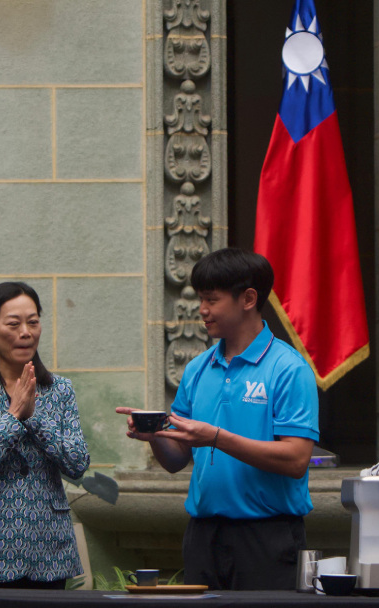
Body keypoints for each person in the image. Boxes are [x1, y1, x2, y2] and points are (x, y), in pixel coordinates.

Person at [116, 248, 319, 590]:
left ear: (248, 298)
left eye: (212, 299)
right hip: (203, 535)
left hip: (267, 536)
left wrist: (216, 437)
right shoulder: (197, 369)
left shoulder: (289, 368)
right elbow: (176, 461)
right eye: (201, 299)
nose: (203, 311)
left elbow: (297, 460)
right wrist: (155, 437)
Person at [0, 282, 90, 589]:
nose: (26, 332)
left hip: (48, 551)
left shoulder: (59, 390)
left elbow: (77, 463)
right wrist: (12, 417)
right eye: (14, 324)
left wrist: (33, 416)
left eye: (33, 322)